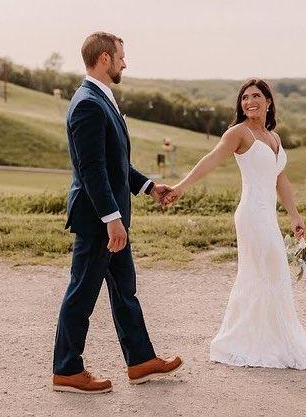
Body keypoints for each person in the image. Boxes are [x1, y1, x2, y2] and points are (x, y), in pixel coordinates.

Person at [52, 32, 183, 394]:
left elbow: (115, 162)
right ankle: (66, 369)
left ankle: (140, 361)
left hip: (113, 220)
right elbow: (92, 168)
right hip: (99, 221)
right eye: (122, 56)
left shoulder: (100, 99)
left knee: (125, 291)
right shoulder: (88, 104)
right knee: (82, 292)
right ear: (105, 59)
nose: (126, 62)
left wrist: (148, 186)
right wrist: (112, 219)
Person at [168, 78, 306, 369]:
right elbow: (211, 159)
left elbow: (281, 180)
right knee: (269, 272)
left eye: (256, 96)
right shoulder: (239, 133)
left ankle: (273, 340)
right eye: (245, 97)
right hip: (251, 214)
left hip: (269, 216)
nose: (250, 101)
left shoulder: (273, 137)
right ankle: (246, 343)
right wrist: (181, 187)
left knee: (270, 275)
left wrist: (295, 215)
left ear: (268, 102)